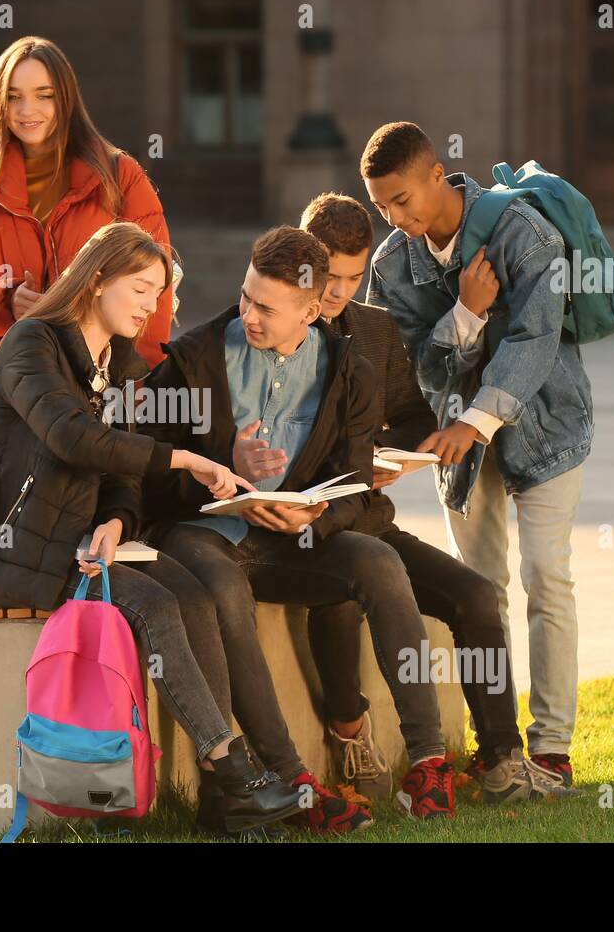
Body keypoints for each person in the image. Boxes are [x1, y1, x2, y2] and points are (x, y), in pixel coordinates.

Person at [0, 221, 303, 833]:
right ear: (98, 279)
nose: (150, 306)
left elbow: (123, 472)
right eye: (140, 288)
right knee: (157, 609)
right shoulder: (33, 344)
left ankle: (222, 793)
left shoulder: (120, 363)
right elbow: (72, 437)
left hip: (86, 543)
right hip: (24, 550)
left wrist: (115, 518)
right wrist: (185, 458)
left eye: (158, 295)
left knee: (196, 592)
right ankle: (232, 769)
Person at [140, 226, 456, 831]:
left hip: (292, 539)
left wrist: (315, 513)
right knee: (224, 590)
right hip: (201, 534)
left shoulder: (348, 370)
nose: (249, 315)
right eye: (246, 298)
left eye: (266, 308)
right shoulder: (194, 357)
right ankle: (291, 783)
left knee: (379, 563)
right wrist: (224, 468)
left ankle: (428, 763)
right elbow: (145, 471)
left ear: (311, 311)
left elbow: (355, 477)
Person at [296, 192, 572, 804]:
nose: (340, 292)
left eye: (352, 276)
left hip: (366, 517)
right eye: (328, 277)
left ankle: (502, 760)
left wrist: (388, 455)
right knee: (353, 582)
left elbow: (410, 414)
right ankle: (354, 733)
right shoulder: (269, 328)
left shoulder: (369, 329)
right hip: (305, 530)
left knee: (475, 594)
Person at [361, 121, 593, 789]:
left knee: (547, 575)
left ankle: (551, 746)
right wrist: (463, 314)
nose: (396, 218)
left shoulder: (523, 233)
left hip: (547, 429)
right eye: (382, 206)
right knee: (479, 590)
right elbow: (408, 369)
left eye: (403, 199)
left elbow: (535, 339)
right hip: (456, 446)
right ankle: (499, 749)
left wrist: (477, 418)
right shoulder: (390, 267)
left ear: (439, 176)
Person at [0, 36, 174, 366]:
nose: (27, 111)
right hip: (12, 382)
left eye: (44, 96)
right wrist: (7, 299)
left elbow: (154, 288)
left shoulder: (119, 177)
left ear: (65, 99)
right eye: (13, 98)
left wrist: (145, 383)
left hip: (101, 379)